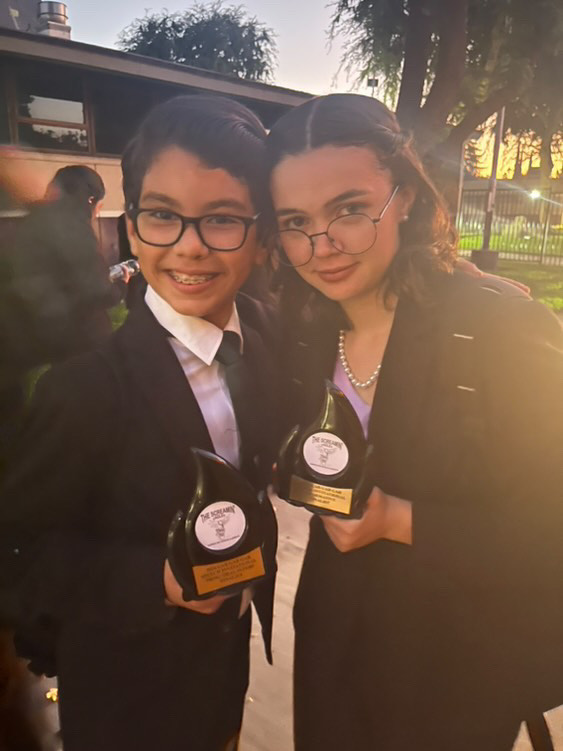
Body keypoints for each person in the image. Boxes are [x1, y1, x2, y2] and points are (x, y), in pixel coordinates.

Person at [265, 94, 563, 751]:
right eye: (294, 221)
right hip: (332, 652)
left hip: (454, 670)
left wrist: (399, 520)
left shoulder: (500, 328)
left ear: (404, 194)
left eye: (348, 209)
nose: (322, 245)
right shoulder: (303, 331)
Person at [0, 95, 277, 751]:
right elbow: (18, 556)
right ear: (129, 228)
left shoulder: (267, 339)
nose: (190, 248)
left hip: (226, 673)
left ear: (261, 237)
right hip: (127, 698)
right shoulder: (86, 389)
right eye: (162, 216)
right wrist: (151, 578)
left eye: (221, 220)